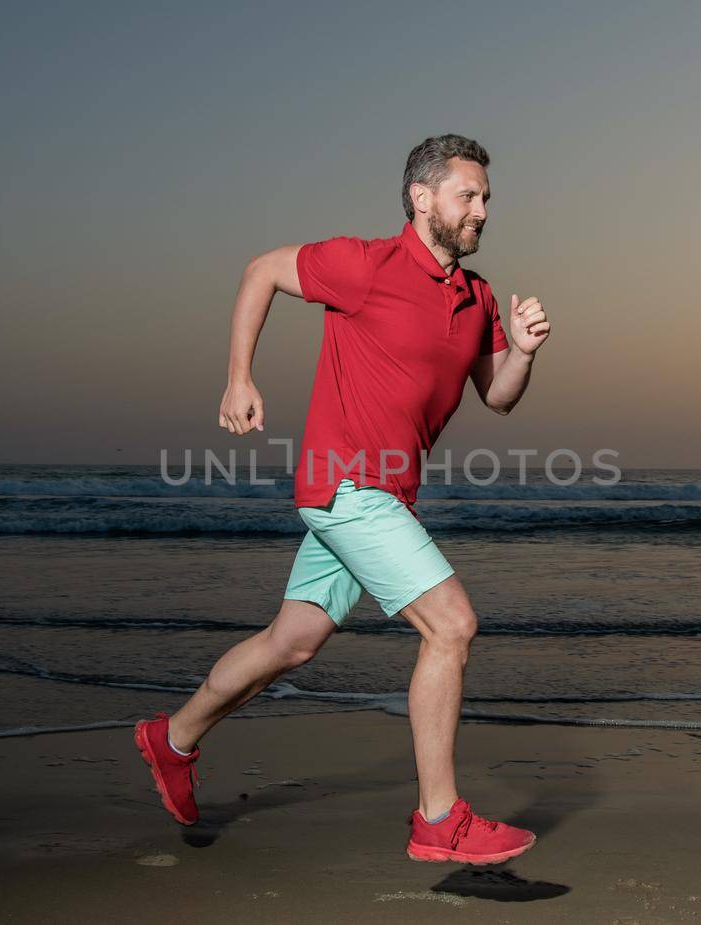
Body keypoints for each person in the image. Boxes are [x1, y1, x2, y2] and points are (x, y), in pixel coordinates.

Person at [134, 134, 552, 865]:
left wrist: (519, 349)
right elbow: (262, 269)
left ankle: (171, 738)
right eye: (468, 195)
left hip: (387, 493)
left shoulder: (478, 295)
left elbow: (500, 397)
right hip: (348, 483)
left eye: (486, 197)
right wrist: (239, 376)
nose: (482, 209)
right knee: (451, 625)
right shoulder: (365, 265)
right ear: (422, 198)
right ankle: (438, 818)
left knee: (291, 640)